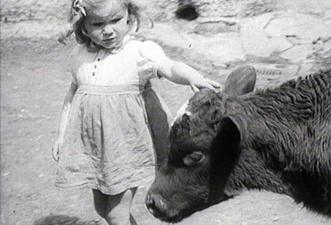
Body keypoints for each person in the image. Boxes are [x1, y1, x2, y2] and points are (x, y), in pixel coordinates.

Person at [52, 0, 220, 224]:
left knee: (115, 213)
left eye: (115, 20)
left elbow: (169, 67)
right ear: (83, 26)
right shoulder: (80, 55)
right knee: (102, 207)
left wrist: (192, 76)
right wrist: (62, 136)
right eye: (98, 23)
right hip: (95, 148)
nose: (109, 30)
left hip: (126, 146)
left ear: (129, 18)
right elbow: (72, 95)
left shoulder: (138, 52)